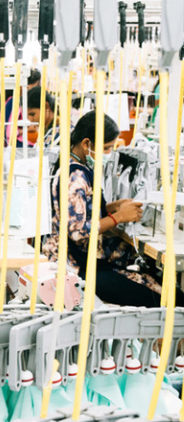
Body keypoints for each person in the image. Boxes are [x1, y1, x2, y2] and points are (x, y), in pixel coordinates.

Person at [42, 111, 184, 306]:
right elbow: (78, 232)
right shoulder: (75, 177)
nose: (109, 153)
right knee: (166, 297)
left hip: (83, 260)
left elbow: (78, 210)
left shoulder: (75, 166)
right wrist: (119, 217)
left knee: (157, 283)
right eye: (107, 148)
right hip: (76, 267)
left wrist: (112, 207)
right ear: (86, 144)